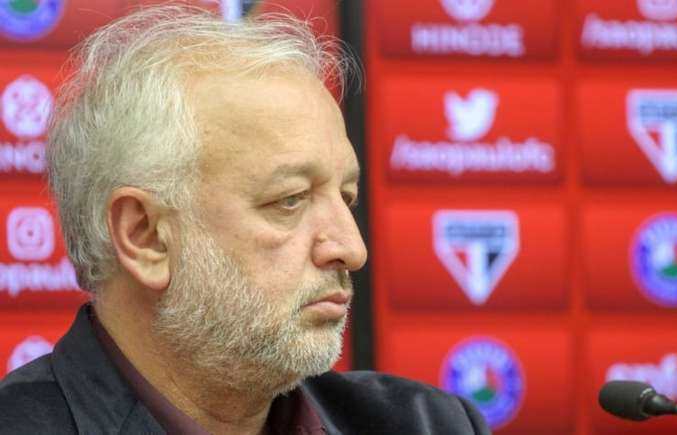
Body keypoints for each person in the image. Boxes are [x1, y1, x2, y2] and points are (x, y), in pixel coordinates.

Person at [0, 5, 489, 435]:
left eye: (347, 196)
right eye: (291, 200)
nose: (351, 248)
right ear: (145, 236)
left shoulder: (428, 424)